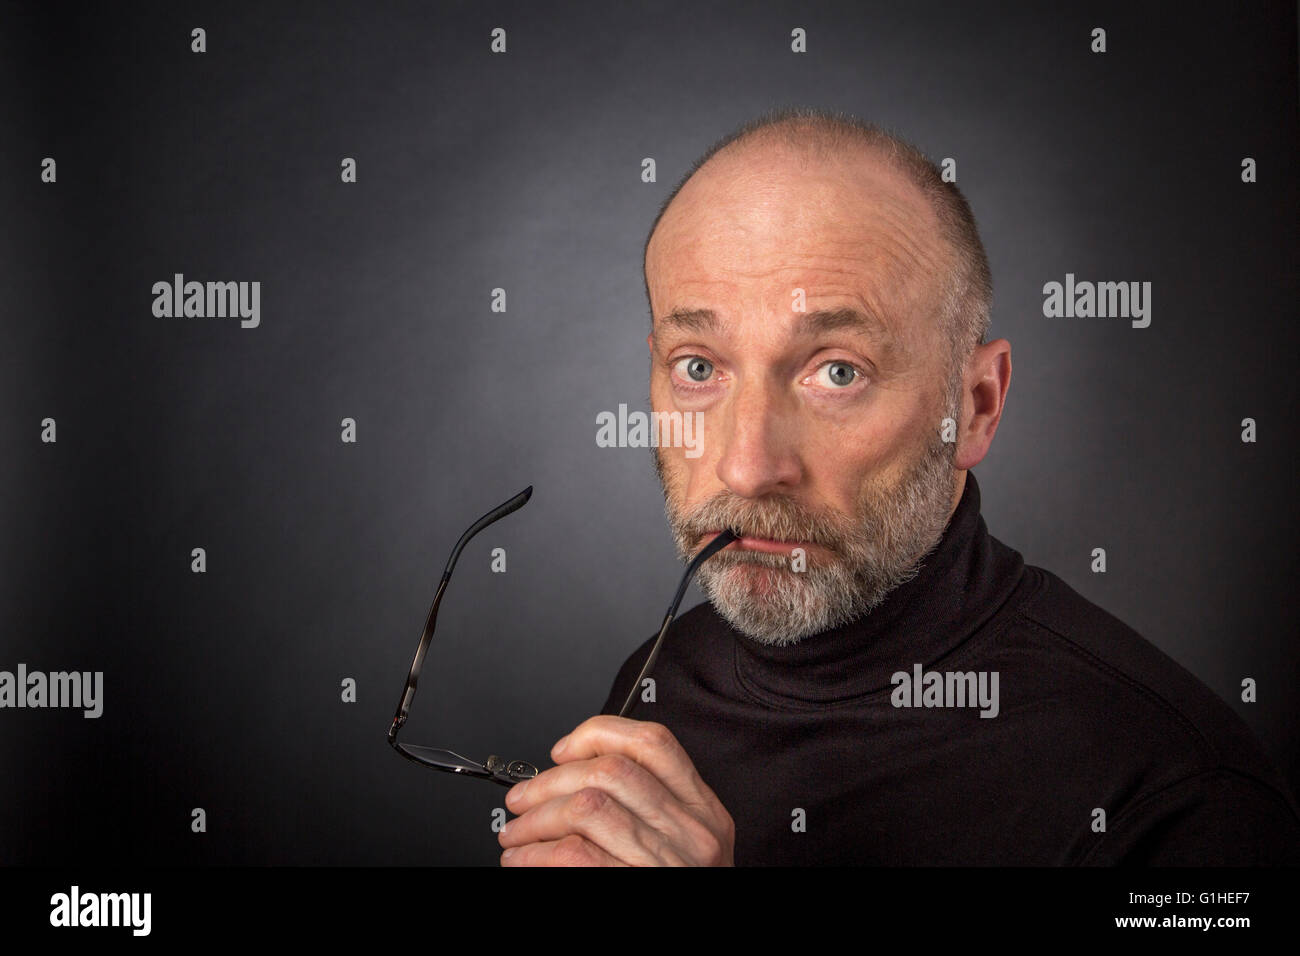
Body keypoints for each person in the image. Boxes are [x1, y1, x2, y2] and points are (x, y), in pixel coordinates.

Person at [496, 107, 1300, 865]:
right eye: (699, 367)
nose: (745, 467)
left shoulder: (1179, 799)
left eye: (836, 372)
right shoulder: (661, 675)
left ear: (975, 405)